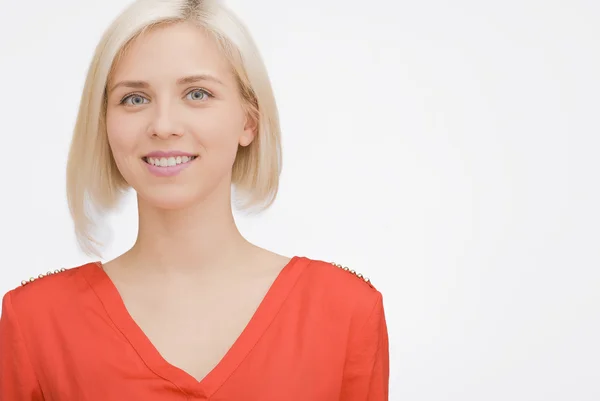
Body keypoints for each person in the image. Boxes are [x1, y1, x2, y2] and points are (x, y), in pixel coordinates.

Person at [0, 0, 389, 399]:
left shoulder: (345, 312)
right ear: (104, 125)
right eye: (134, 99)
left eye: (197, 93)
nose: (164, 125)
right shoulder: (35, 321)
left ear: (248, 121)